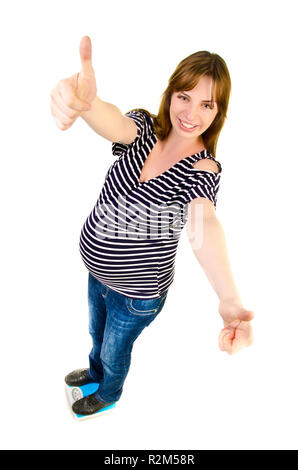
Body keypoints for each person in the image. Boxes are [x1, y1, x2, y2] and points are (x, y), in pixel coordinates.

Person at [50, 36, 254, 416]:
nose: (191, 112)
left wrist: (228, 299)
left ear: (218, 112)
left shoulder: (202, 169)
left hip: (137, 294)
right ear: (171, 93)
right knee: (97, 336)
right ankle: (95, 371)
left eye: (206, 104)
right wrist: (88, 103)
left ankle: (108, 391)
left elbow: (202, 220)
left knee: (115, 349)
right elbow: (114, 124)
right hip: (99, 276)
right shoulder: (145, 129)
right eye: (184, 96)